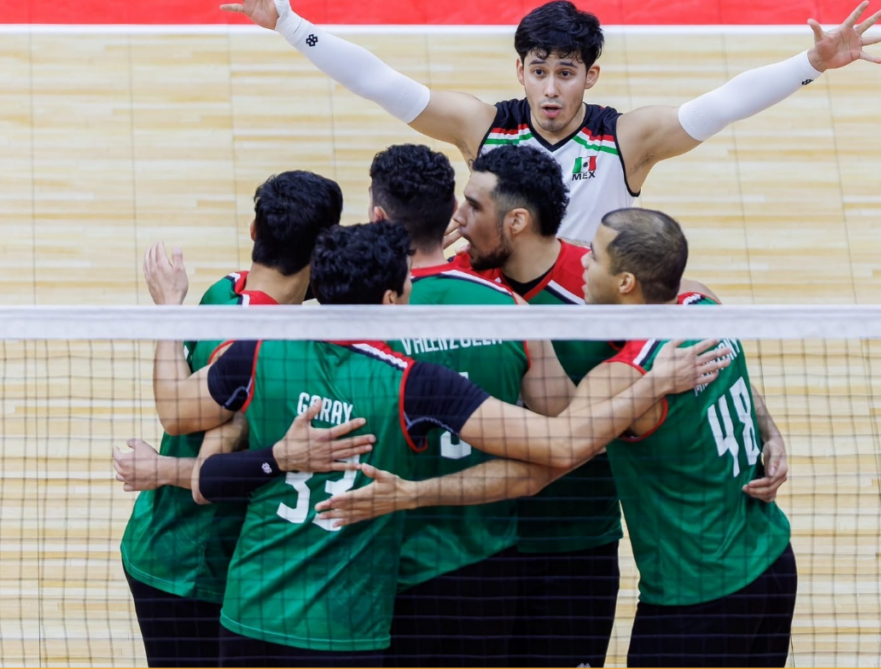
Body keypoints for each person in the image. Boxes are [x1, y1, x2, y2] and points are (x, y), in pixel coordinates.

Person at [168, 220, 729, 666]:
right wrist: (654, 384)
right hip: (344, 631)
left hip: (246, 616)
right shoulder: (415, 383)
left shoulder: (258, 351)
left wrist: (274, 459)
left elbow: (204, 478)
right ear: (392, 301)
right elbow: (561, 444)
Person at [322, 208, 794, 668]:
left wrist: (412, 493)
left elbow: (554, 456)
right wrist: (769, 431)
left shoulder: (622, 377)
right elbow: (738, 381)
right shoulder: (704, 310)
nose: (581, 261)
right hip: (773, 565)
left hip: (698, 598)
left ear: (626, 283)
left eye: (594, 256)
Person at [218, 0, 881, 242]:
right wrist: (289, 24)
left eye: (566, 73)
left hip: (588, 319)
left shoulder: (627, 138)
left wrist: (811, 63)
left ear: (589, 78)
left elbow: (721, 104)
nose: (550, 88)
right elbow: (383, 84)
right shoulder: (482, 125)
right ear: (520, 70)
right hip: (499, 314)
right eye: (538, 70)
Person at [115, 171, 369, 667]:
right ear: (322, 251)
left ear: (255, 231)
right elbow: (205, 459)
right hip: (195, 564)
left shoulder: (222, 292)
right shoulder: (256, 346)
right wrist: (164, 470)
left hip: (157, 543)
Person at [366, 143, 571, 667]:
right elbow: (570, 433)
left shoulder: (354, 314)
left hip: (374, 565)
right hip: (483, 568)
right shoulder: (510, 309)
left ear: (378, 218)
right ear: (450, 214)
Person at [451, 143, 629, 667]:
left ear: (516, 222)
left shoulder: (596, 288)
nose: (458, 218)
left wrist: (766, 427)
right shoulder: (458, 286)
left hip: (575, 544)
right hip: (479, 547)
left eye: (474, 206)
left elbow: (694, 323)